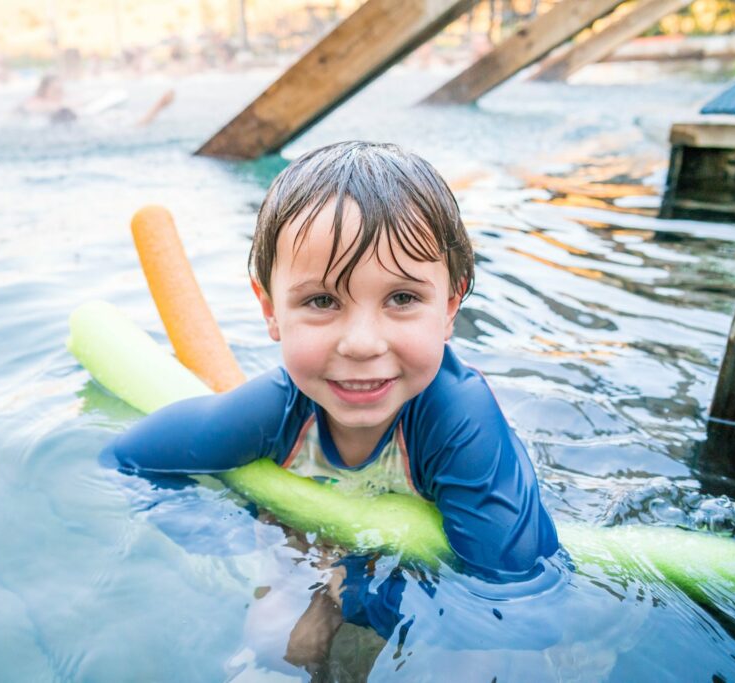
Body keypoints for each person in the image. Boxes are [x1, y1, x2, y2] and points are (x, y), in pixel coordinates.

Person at [104, 141, 559, 669]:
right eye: (322, 301)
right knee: (276, 640)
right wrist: (254, 537)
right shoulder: (275, 410)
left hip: (408, 570)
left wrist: (351, 587)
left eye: (402, 298)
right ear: (270, 309)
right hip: (317, 539)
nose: (361, 344)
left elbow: (518, 602)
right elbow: (128, 460)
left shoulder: (458, 422)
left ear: (450, 307)